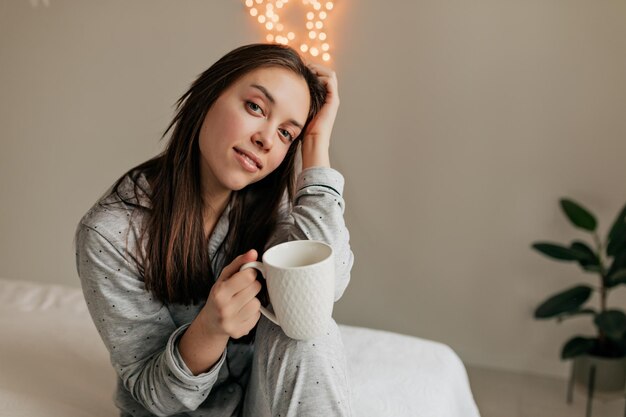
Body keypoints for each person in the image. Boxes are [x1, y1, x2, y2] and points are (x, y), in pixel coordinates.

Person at [74, 43, 354, 417]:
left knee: (309, 331)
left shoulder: (270, 203)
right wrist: (209, 329)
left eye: (287, 134)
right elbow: (153, 396)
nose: (267, 140)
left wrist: (317, 145)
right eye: (255, 107)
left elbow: (326, 285)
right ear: (207, 97)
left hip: (260, 402)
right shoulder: (110, 234)